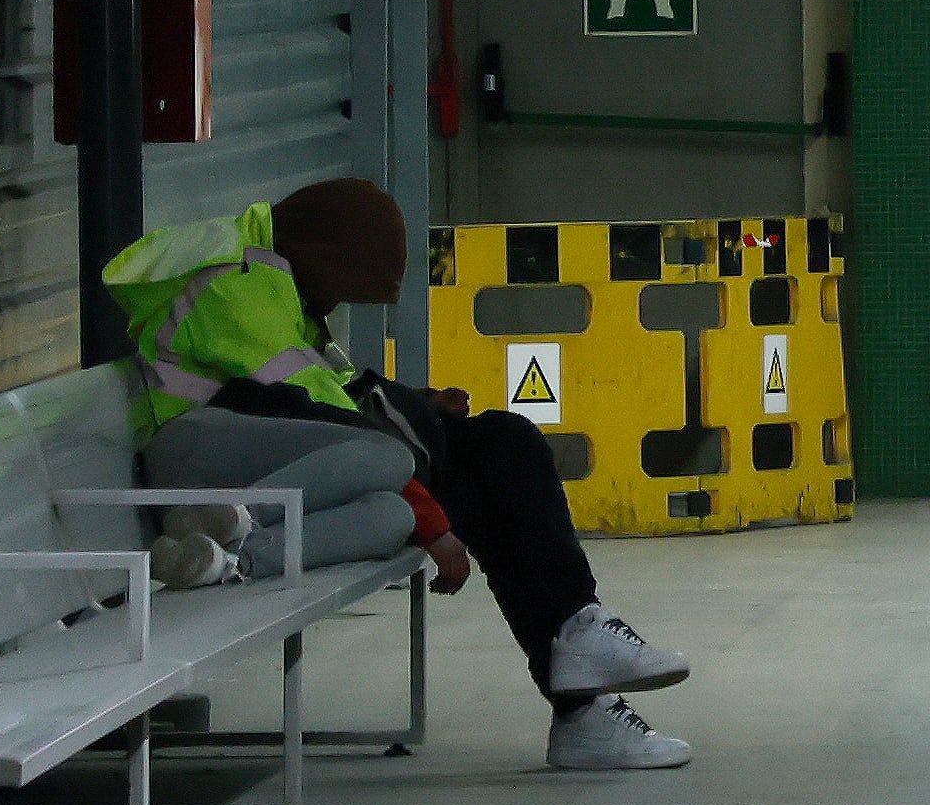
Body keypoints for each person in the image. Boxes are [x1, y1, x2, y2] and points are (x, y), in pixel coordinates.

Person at [99, 177, 696, 773]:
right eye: (343, 289)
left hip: (273, 457)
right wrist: (431, 514)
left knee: (501, 442)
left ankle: (578, 659)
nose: (337, 307)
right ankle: (576, 672)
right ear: (325, 254)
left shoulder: (280, 281)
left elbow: (329, 395)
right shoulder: (235, 290)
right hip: (203, 460)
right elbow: (329, 417)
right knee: (422, 477)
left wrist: (415, 404)